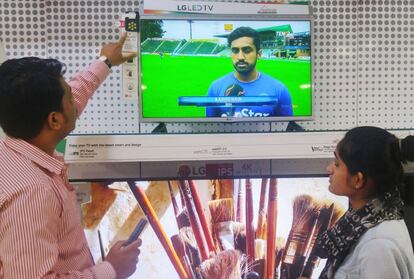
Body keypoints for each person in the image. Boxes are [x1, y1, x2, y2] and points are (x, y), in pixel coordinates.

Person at [0, 34, 141, 279]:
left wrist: (105, 61)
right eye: (67, 97)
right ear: (54, 120)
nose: (74, 102)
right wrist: (111, 270)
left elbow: (76, 94)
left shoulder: (15, 147)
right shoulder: (34, 192)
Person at [302, 126, 414, 279]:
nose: (329, 168)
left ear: (357, 180)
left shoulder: (377, 246)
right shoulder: (360, 222)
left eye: (337, 163)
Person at [206, 26, 293, 118]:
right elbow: (211, 128)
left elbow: (287, 128)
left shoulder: (279, 90)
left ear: (259, 54)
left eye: (247, 50)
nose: (240, 57)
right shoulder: (215, 88)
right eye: (235, 51)